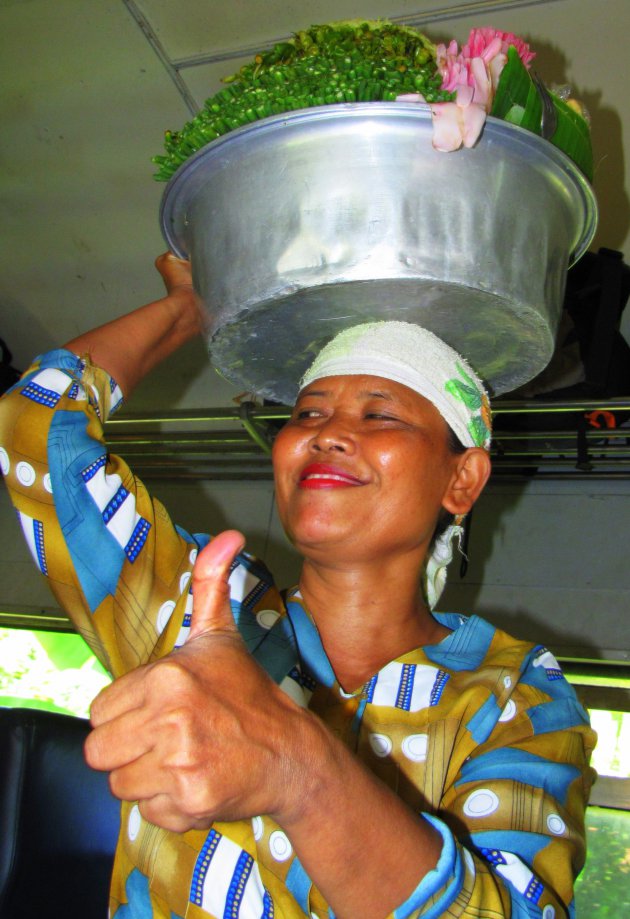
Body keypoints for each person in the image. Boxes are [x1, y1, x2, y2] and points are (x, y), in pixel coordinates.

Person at [0, 253, 596, 919]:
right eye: (307, 414)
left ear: (462, 479)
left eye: (382, 415)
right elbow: (36, 421)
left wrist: (296, 771)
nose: (329, 434)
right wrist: (189, 310)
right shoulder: (203, 611)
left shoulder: (512, 695)